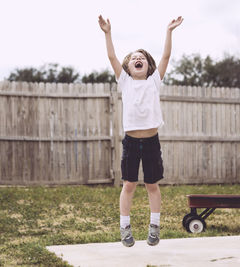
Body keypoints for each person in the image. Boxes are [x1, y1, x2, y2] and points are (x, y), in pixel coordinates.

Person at [98, 15, 183, 247]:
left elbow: (166, 55)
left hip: (152, 141)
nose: (138, 59)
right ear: (128, 67)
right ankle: (125, 227)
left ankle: (154, 227)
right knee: (129, 185)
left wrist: (169, 31)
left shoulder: (154, 80)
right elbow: (111, 56)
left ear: (148, 65)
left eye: (141, 58)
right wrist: (107, 33)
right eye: (134, 58)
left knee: (152, 185)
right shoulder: (125, 81)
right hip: (132, 142)